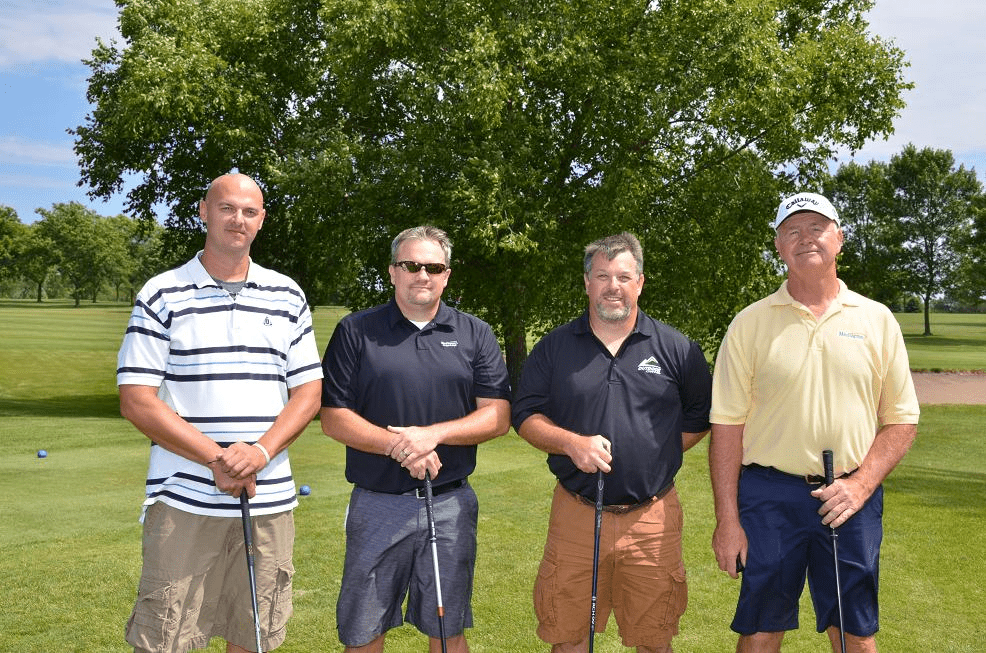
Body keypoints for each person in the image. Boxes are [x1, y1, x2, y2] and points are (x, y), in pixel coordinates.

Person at [117, 173, 323, 653]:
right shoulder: (162, 293)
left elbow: (309, 392)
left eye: (250, 211)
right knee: (165, 638)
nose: (239, 219)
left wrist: (260, 451)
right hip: (184, 500)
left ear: (262, 220)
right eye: (227, 208)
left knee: (254, 637)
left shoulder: (287, 295)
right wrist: (218, 459)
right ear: (204, 212)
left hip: (268, 501)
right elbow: (137, 398)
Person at [708, 192, 920, 653]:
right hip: (770, 495)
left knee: (854, 631)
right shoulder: (749, 324)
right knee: (761, 629)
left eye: (817, 228)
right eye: (792, 231)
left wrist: (862, 484)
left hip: (849, 496)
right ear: (779, 247)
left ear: (839, 239)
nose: (805, 238)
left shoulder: (877, 320)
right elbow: (726, 427)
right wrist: (727, 518)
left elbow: (902, 419)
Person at [512, 232, 713, 653]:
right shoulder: (555, 347)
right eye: (602, 275)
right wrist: (570, 443)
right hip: (576, 515)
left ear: (640, 281)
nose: (612, 286)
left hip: (652, 519)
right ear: (587, 283)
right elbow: (525, 415)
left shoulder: (677, 348)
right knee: (567, 638)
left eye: (623, 276)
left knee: (653, 640)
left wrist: (658, 451)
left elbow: (700, 416)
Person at [320, 225, 512, 653]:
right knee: (363, 631)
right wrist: (400, 446)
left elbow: (497, 415)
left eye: (433, 267)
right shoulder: (356, 331)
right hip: (377, 502)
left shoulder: (475, 333)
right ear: (392, 271)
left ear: (446, 275)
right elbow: (333, 417)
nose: (421, 274)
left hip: (449, 505)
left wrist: (432, 436)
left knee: (447, 631)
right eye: (410, 265)